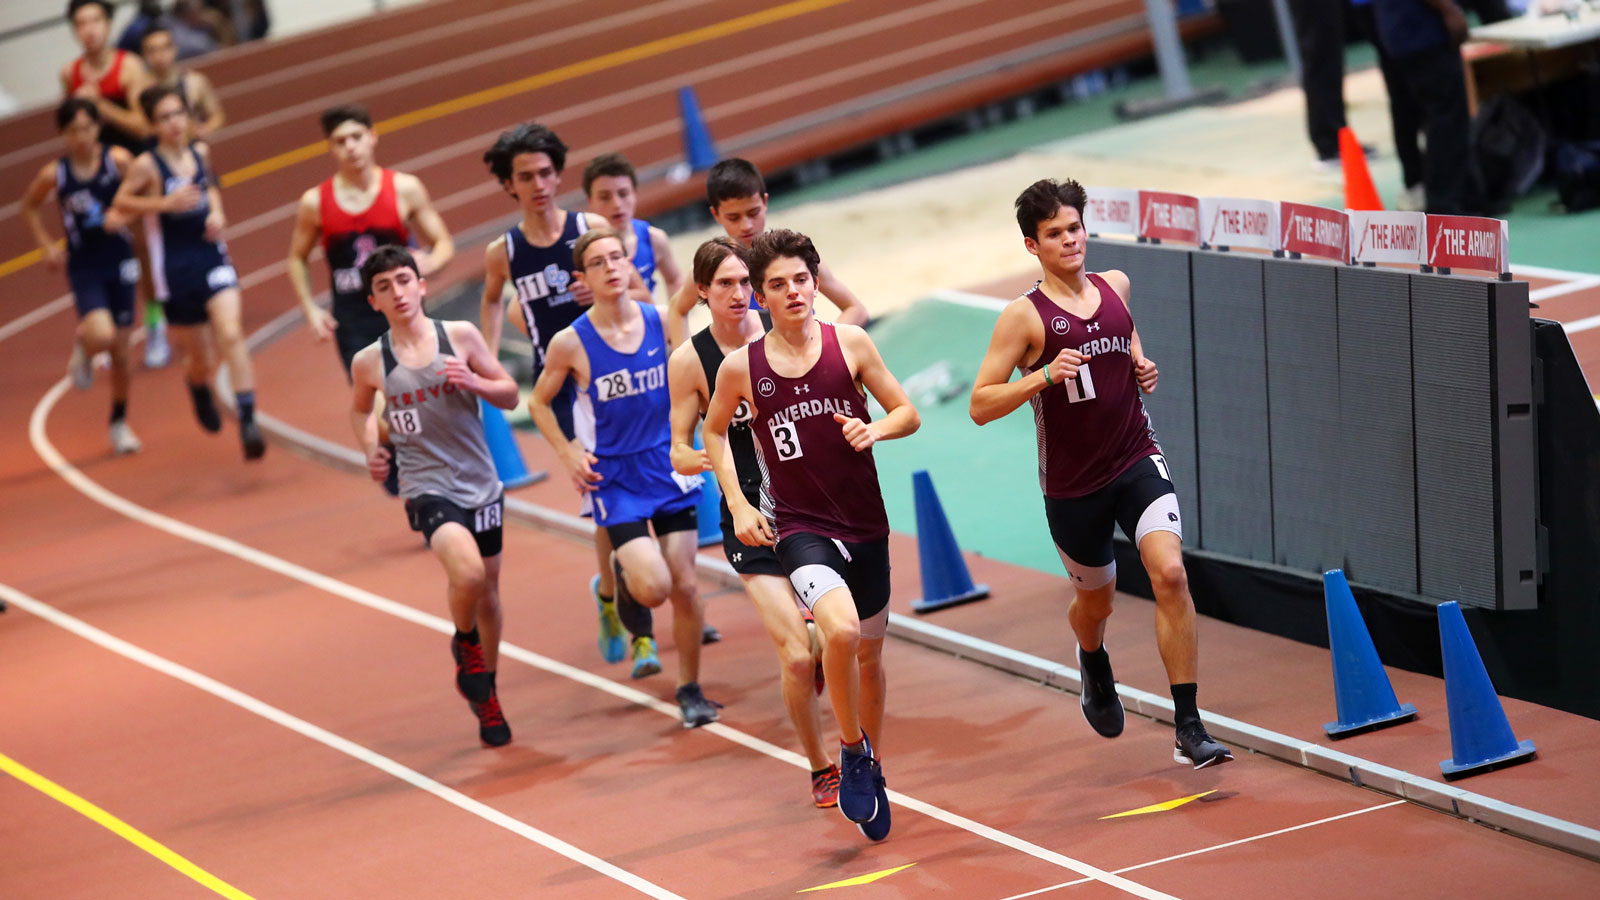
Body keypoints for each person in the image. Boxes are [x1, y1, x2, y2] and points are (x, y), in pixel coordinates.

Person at [968, 179, 1232, 770]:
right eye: (1055, 234)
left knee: (1170, 573)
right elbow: (980, 404)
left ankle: (1189, 726)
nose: (1069, 241)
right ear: (1032, 246)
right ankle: (1092, 656)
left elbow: (1123, 330)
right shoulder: (1023, 318)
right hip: (1071, 486)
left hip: (1134, 456)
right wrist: (1042, 377)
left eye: (1075, 229)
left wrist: (1139, 360)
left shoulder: (1116, 285)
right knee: (1097, 599)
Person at [702, 229, 919, 841]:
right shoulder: (742, 368)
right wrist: (740, 503)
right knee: (841, 630)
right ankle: (850, 749)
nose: (793, 291)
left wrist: (875, 432)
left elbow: (907, 411)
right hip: (799, 528)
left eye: (801, 280)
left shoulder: (850, 343)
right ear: (761, 297)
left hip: (866, 523)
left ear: (815, 283)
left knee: (871, 655)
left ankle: (869, 759)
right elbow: (714, 433)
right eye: (777, 284)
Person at [478, 123, 658, 675]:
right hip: (564, 392)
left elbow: (646, 294)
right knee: (607, 497)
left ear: (559, 174)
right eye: (525, 177)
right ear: (509, 185)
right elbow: (493, 304)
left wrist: (607, 289)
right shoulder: (503, 252)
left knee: (614, 510)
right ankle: (640, 631)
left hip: (620, 376)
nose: (539, 185)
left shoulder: (592, 231)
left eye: (546, 173)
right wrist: (485, 363)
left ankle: (611, 591)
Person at [668, 237, 837, 807]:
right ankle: (820, 766)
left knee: (833, 639)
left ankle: (822, 664)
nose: (739, 294)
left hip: (812, 510)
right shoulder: (692, 361)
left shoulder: (783, 339)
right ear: (702, 293)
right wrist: (731, 487)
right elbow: (679, 450)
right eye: (725, 285)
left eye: (745, 283)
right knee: (793, 652)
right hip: (749, 522)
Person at [529, 228, 719, 728]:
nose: (612, 267)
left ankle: (690, 689)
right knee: (655, 587)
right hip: (615, 479)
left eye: (618, 257)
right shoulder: (571, 341)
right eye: (599, 261)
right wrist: (569, 452)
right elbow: (538, 401)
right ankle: (621, 581)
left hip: (668, 466)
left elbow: (694, 381)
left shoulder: (661, 321)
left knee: (686, 585)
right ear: (583, 277)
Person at [348, 246, 520, 747]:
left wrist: (476, 382)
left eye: (404, 280)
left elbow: (510, 393)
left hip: (481, 482)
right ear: (373, 300)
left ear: (421, 285)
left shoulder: (459, 337)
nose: (397, 292)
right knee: (465, 572)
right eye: (385, 286)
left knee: (488, 592)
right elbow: (360, 413)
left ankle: (486, 693)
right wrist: (370, 450)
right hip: (425, 486)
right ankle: (464, 642)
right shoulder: (370, 362)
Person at [114, 85, 265, 460]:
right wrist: (163, 202)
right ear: (153, 125)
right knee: (203, 360)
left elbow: (209, 183)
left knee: (231, 332)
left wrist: (217, 211)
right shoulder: (147, 165)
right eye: (165, 117)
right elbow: (120, 202)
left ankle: (248, 418)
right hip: (174, 271)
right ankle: (197, 385)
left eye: (179, 114)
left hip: (211, 257)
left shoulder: (200, 151)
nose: (175, 123)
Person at [20, 98, 142, 456]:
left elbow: (147, 194)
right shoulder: (54, 175)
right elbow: (27, 206)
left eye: (87, 128)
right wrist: (44, 243)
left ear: (98, 127)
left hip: (121, 261)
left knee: (121, 353)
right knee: (102, 334)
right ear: (62, 134)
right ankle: (85, 347)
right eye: (73, 131)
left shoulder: (118, 161)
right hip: (85, 264)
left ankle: (119, 423)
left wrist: (126, 217)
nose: (82, 137)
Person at [62, 0, 170, 370]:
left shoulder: (129, 67)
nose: (89, 29)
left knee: (142, 250)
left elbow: (144, 126)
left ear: (108, 25)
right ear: (74, 30)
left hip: (131, 171)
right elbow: (72, 125)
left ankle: (155, 327)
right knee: (98, 249)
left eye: (95, 21)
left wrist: (101, 106)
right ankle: (101, 326)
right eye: (81, 23)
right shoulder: (69, 73)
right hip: (94, 175)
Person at [664, 159, 868, 347]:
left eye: (753, 213)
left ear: (765, 202)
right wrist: (686, 365)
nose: (747, 225)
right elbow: (677, 309)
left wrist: (821, 347)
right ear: (715, 214)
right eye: (734, 218)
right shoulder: (711, 268)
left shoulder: (793, 255)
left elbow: (855, 309)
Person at [1372, 0, 1481, 215]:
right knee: (1447, 121)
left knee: (1437, 117)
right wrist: (1448, 9)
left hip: (1400, 30)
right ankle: (1445, 203)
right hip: (1422, 30)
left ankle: (1469, 197)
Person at [583, 152, 684, 301]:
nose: (616, 204)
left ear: (634, 194)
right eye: (605, 197)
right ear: (590, 201)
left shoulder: (654, 238)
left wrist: (675, 316)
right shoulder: (581, 248)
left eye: (623, 194)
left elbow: (674, 279)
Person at [139, 23, 226, 140]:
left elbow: (217, 116)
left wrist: (206, 129)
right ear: (145, 56)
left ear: (175, 48)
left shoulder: (195, 81)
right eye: (153, 50)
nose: (160, 55)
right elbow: (141, 128)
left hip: (192, 145)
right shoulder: (142, 88)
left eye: (165, 47)